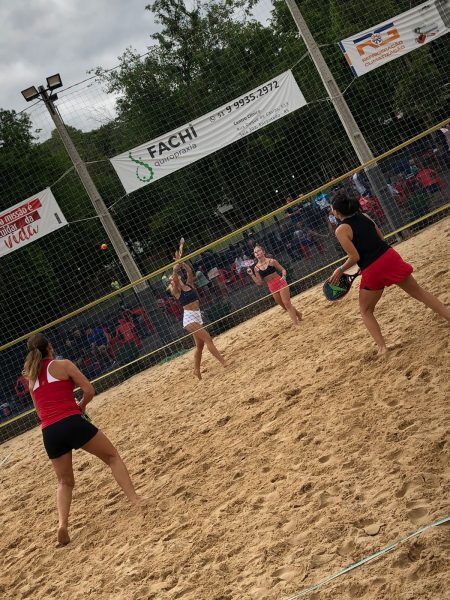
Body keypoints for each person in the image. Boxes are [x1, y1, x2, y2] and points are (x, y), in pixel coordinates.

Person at [23, 333, 145, 546]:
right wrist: (80, 407)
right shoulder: (63, 365)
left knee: (64, 482)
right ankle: (135, 501)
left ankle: (62, 524)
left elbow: (40, 412)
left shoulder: (31, 379)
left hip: (49, 432)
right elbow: (89, 390)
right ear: (50, 347)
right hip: (71, 421)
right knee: (112, 457)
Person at [328, 192, 450, 355]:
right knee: (419, 292)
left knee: (365, 311)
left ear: (336, 212)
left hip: (373, 269)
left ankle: (382, 348)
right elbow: (380, 237)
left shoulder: (341, 229)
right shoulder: (364, 216)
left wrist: (340, 269)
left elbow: (354, 256)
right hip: (389, 256)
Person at [168, 255, 226, 380]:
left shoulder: (189, 285)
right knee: (208, 339)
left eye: (173, 278)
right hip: (189, 318)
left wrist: (182, 262)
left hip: (197, 315)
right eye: (171, 280)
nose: (173, 280)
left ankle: (196, 370)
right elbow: (175, 279)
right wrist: (174, 270)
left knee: (199, 346)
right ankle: (223, 362)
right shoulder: (176, 291)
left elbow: (189, 271)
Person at [247, 245, 302, 327]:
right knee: (284, 306)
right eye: (255, 252)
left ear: (263, 252)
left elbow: (283, 270)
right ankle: (298, 314)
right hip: (272, 286)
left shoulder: (272, 261)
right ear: (254, 255)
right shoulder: (256, 268)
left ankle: (296, 324)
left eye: (258, 251)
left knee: (286, 303)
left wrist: (284, 276)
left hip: (280, 282)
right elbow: (259, 283)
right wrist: (251, 274)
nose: (257, 253)